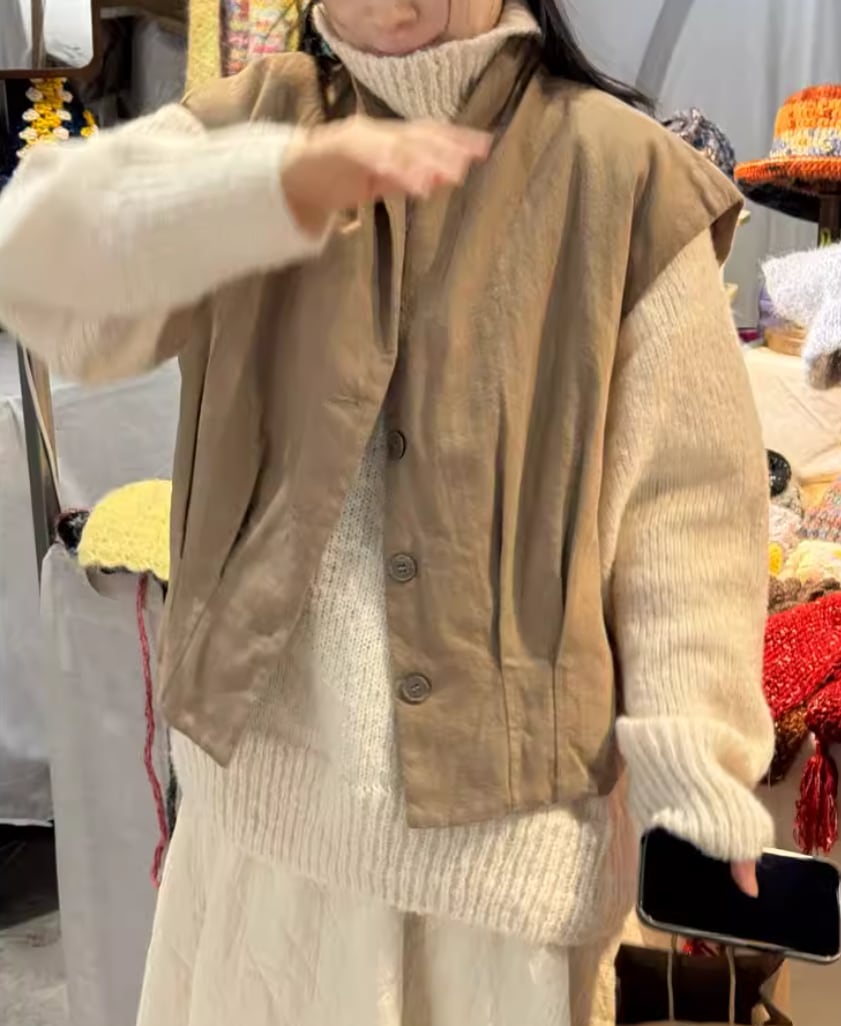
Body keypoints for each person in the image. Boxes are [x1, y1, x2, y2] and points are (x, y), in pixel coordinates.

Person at [0, 1, 775, 1023]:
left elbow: (683, 515)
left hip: (495, 878)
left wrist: (695, 772)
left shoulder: (619, 178)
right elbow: (41, 276)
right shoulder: (250, 128)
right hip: (256, 839)